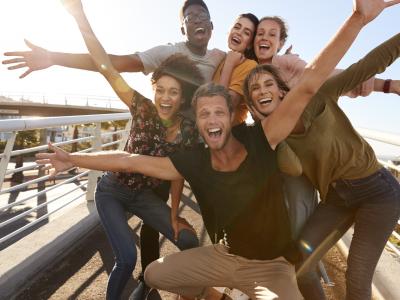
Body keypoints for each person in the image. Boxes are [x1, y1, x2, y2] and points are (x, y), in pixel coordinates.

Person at [37, 1, 398, 298]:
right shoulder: (195, 155)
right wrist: (72, 158)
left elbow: (314, 83)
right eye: (204, 112)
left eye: (219, 113)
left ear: (234, 117)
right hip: (233, 252)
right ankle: (218, 295)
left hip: (289, 253)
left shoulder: (264, 138)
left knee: (330, 279)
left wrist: (358, 18)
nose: (212, 118)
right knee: (156, 274)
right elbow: (128, 159)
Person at [58, 1, 208, 299]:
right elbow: (105, 66)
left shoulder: (188, 131)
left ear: (183, 97)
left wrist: (175, 215)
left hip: (143, 196)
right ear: (153, 90)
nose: (165, 98)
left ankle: (176, 287)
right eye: (160, 89)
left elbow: (177, 175)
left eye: (174, 92)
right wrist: (80, 16)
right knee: (126, 258)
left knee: (190, 241)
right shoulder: (141, 108)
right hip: (113, 189)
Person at [244, 23, 400, 300]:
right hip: (337, 197)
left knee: (357, 277)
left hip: (377, 191)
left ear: (282, 91)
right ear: (253, 105)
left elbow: (368, 65)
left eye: (269, 83)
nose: (262, 90)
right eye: (254, 89)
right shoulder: (270, 139)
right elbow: (285, 170)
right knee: (301, 264)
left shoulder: (319, 96)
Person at [2, 0, 224, 82]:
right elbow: (112, 63)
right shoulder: (168, 54)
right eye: (190, 18)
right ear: (182, 29)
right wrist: (54, 57)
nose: (197, 20)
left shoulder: (220, 58)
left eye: (203, 16)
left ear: (212, 26)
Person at [254, 15, 400, 97]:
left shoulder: (286, 62)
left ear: (280, 43)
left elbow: (323, 74)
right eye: (260, 33)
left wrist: (387, 85)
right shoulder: (248, 67)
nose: (264, 37)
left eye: (272, 34)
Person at [212, 13, 258, 125]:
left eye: (246, 33)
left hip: (231, 135)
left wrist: (229, 64)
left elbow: (222, 107)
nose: (239, 32)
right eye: (237, 27)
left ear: (250, 44)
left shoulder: (250, 66)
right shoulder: (220, 59)